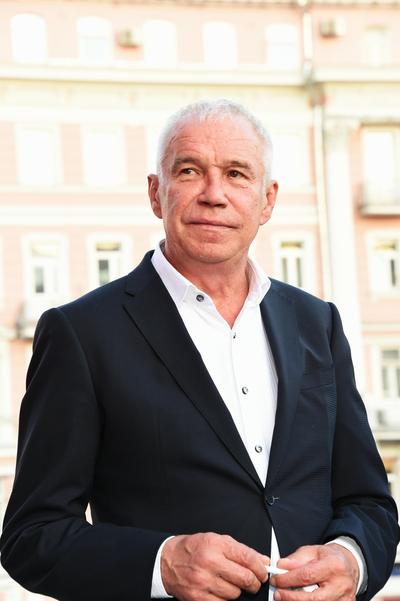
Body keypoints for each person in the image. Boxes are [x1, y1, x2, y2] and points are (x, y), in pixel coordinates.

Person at [1, 99, 398, 601]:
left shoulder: (317, 323)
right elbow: (31, 536)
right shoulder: (81, 333)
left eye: (236, 174)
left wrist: (352, 559)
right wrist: (161, 563)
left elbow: (369, 503)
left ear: (267, 200)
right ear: (156, 193)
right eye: (189, 171)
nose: (214, 195)